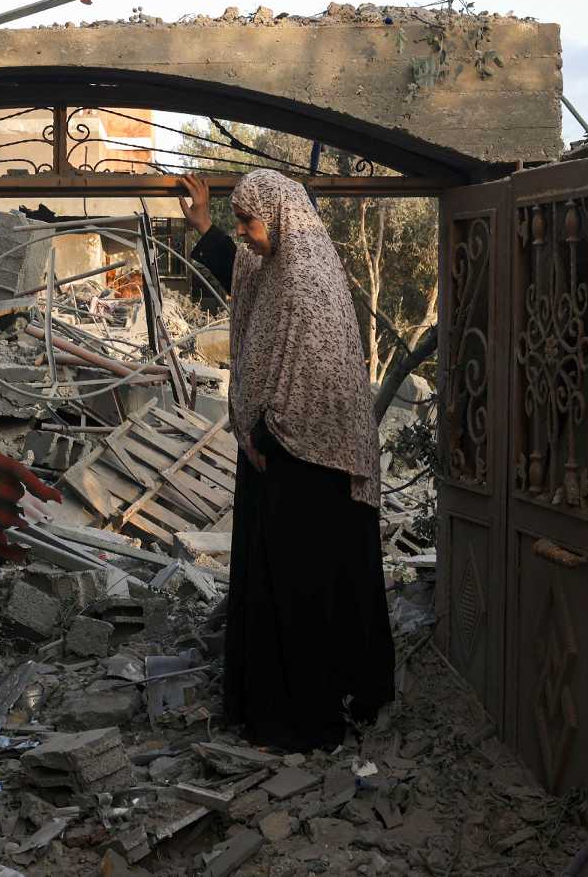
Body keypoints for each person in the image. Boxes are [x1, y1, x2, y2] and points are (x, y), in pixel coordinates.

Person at [179, 170, 395, 751]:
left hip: (311, 465)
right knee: (272, 584)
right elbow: (244, 275)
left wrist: (271, 431)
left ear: (281, 217)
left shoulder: (307, 279)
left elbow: (310, 377)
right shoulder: (274, 263)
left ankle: (307, 717)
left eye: (249, 223)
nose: (245, 234)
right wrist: (205, 225)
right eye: (241, 223)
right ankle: (264, 707)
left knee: (304, 591)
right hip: (274, 453)